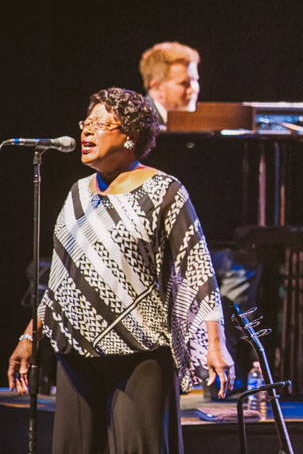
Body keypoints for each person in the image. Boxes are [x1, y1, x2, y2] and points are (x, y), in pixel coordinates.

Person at [6, 87, 234, 454]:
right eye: (86, 122)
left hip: (140, 355)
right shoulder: (77, 193)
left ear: (130, 135)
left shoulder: (164, 191)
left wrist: (215, 344)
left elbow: (197, 267)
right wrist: (30, 335)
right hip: (75, 354)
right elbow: (62, 277)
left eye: (100, 124)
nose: (86, 130)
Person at [140, 41, 201, 124]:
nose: (192, 89)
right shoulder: (140, 122)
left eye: (195, 80)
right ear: (157, 88)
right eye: (184, 83)